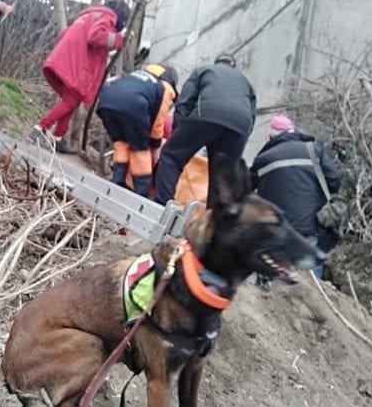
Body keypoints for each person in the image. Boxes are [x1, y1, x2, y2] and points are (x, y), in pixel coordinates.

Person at [154, 53, 257, 206]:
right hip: (239, 126)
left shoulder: (203, 70)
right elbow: (252, 113)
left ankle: (162, 207)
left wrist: (177, 134)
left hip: (207, 114)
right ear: (233, 66)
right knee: (222, 179)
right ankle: (214, 223)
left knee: (171, 156)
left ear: (217, 62)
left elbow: (184, 103)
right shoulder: (246, 83)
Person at [29, 0, 130, 153]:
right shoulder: (108, 16)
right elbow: (95, 37)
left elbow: (68, 34)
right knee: (71, 101)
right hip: (76, 63)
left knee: (71, 101)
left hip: (67, 58)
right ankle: (40, 128)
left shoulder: (90, 15)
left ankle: (58, 138)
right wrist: (118, 39)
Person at [250, 115, 341, 277]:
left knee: (280, 272)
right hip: (311, 223)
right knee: (311, 274)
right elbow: (334, 179)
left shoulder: (262, 159)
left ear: (271, 137)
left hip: (278, 228)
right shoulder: (314, 150)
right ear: (294, 131)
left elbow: (246, 191)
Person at [96, 64, 178, 196]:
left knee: (121, 144)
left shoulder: (137, 76)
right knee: (140, 150)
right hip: (133, 106)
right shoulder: (165, 88)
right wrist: (155, 145)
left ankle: (117, 181)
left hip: (106, 103)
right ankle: (141, 194)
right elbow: (158, 120)